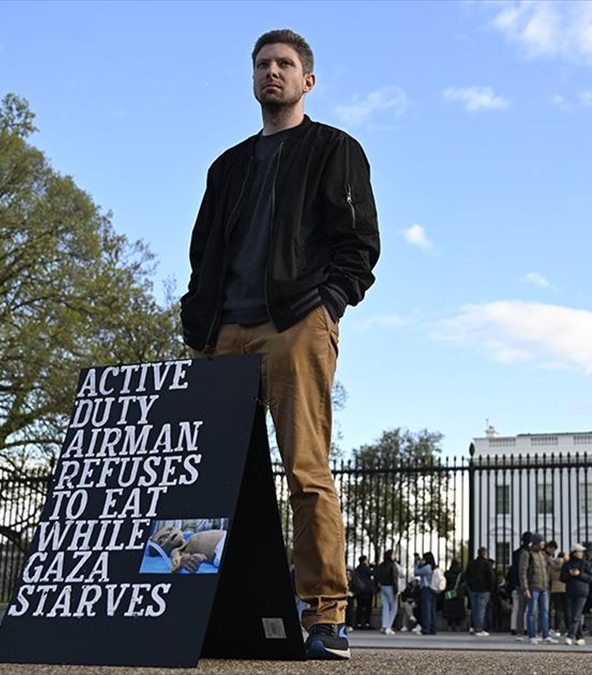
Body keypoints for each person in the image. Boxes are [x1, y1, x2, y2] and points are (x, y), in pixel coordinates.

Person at [179, 28, 380, 662]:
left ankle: (323, 616)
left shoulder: (334, 149)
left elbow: (358, 243)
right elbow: (202, 252)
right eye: (264, 63)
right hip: (222, 332)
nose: (273, 72)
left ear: (307, 80)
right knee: (200, 480)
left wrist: (329, 303)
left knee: (305, 470)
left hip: (295, 323)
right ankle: (180, 606)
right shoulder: (228, 165)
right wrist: (197, 317)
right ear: (253, 77)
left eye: (285, 64)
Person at [519, 533, 556, 644]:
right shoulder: (527, 554)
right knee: (532, 612)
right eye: (542, 542)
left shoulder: (544, 554)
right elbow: (523, 571)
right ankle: (532, 636)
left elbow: (551, 567)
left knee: (545, 612)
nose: (544, 543)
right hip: (533, 587)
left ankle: (546, 635)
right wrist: (525, 588)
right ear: (536, 543)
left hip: (544, 587)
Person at [560, 543, 592, 646]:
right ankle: (580, 637)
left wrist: (580, 574)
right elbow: (562, 578)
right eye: (579, 551)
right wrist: (569, 575)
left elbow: (590, 577)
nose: (581, 553)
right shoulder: (567, 564)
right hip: (570, 590)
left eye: (582, 552)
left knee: (576, 615)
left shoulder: (586, 564)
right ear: (574, 553)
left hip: (582, 591)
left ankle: (570, 636)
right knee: (573, 615)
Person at [507, 532, 532, 639]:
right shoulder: (528, 552)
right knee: (527, 609)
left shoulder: (516, 553)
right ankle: (526, 628)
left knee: (517, 608)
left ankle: (515, 628)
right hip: (527, 583)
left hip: (516, 583)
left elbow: (514, 569)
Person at [466, 547, 495, 636]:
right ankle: (479, 629)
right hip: (483, 589)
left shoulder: (471, 563)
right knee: (481, 609)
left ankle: (474, 627)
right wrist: (491, 589)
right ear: (485, 553)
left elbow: (467, 575)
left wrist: (469, 586)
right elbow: (491, 577)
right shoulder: (487, 563)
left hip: (473, 589)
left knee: (474, 609)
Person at [373, 550, 400, 634]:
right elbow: (394, 578)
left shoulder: (380, 566)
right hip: (391, 587)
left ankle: (384, 626)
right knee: (393, 608)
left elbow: (376, 577)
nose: (395, 556)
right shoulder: (392, 565)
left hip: (382, 587)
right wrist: (396, 591)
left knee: (385, 607)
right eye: (393, 554)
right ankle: (388, 626)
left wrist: (377, 588)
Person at [414, 552, 440, 635]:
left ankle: (426, 629)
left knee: (426, 610)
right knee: (432, 610)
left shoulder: (427, 568)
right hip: (433, 589)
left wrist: (417, 564)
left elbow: (416, 572)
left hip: (426, 589)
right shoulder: (433, 568)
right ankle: (433, 628)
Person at [547, 543, 568, 637]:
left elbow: (549, 576)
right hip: (565, 587)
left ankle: (556, 629)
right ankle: (568, 628)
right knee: (567, 609)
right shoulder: (566, 564)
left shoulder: (552, 565)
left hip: (555, 588)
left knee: (557, 609)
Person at [440, 559, 466, 631]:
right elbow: (463, 583)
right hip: (458, 593)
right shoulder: (461, 573)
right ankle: (458, 626)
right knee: (458, 610)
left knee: (449, 610)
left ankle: (449, 625)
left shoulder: (447, 573)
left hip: (449, 593)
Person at [353, 554, 375, 629]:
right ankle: (366, 623)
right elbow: (373, 573)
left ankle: (358, 623)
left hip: (359, 590)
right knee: (368, 607)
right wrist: (372, 566)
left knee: (360, 607)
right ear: (365, 560)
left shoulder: (357, 569)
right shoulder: (367, 568)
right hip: (367, 589)